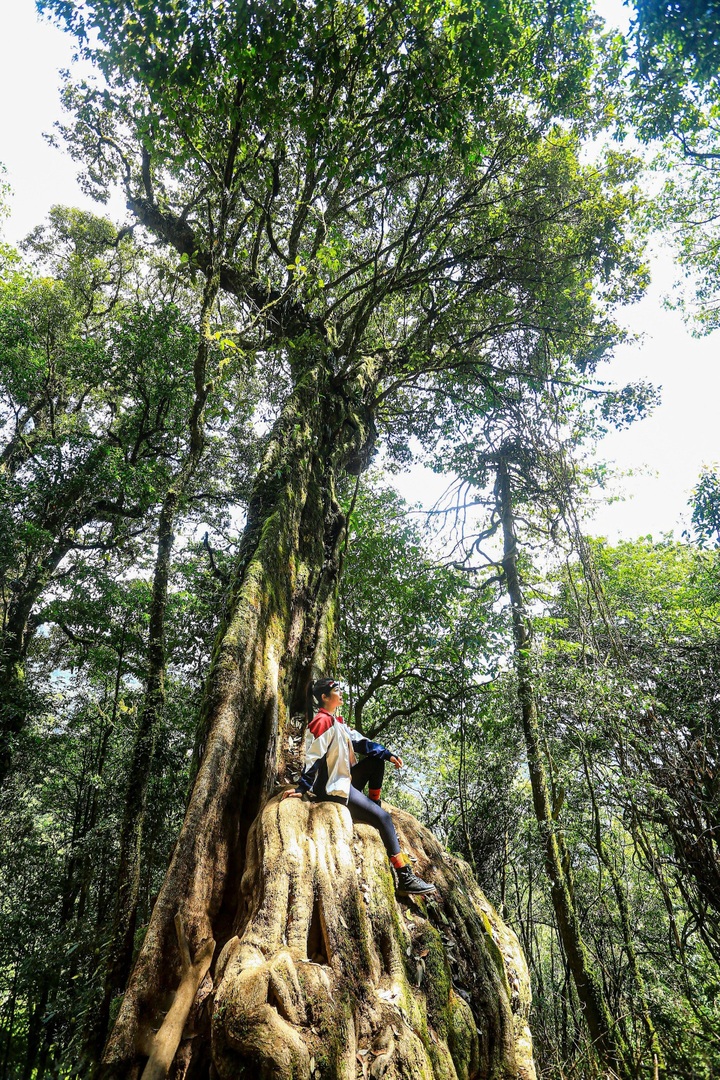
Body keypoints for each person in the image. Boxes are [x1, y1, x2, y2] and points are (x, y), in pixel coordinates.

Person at [282, 677, 435, 897]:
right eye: (336, 690)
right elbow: (313, 757)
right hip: (333, 789)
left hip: (344, 779)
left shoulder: (336, 722)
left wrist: (388, 754)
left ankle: (372, 804)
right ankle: (405, 876)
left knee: (375, 761)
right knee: (384, 819)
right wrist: (302, 788)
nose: (340, 693)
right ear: (324, 697)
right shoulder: (322, 722)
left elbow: (362, 742)